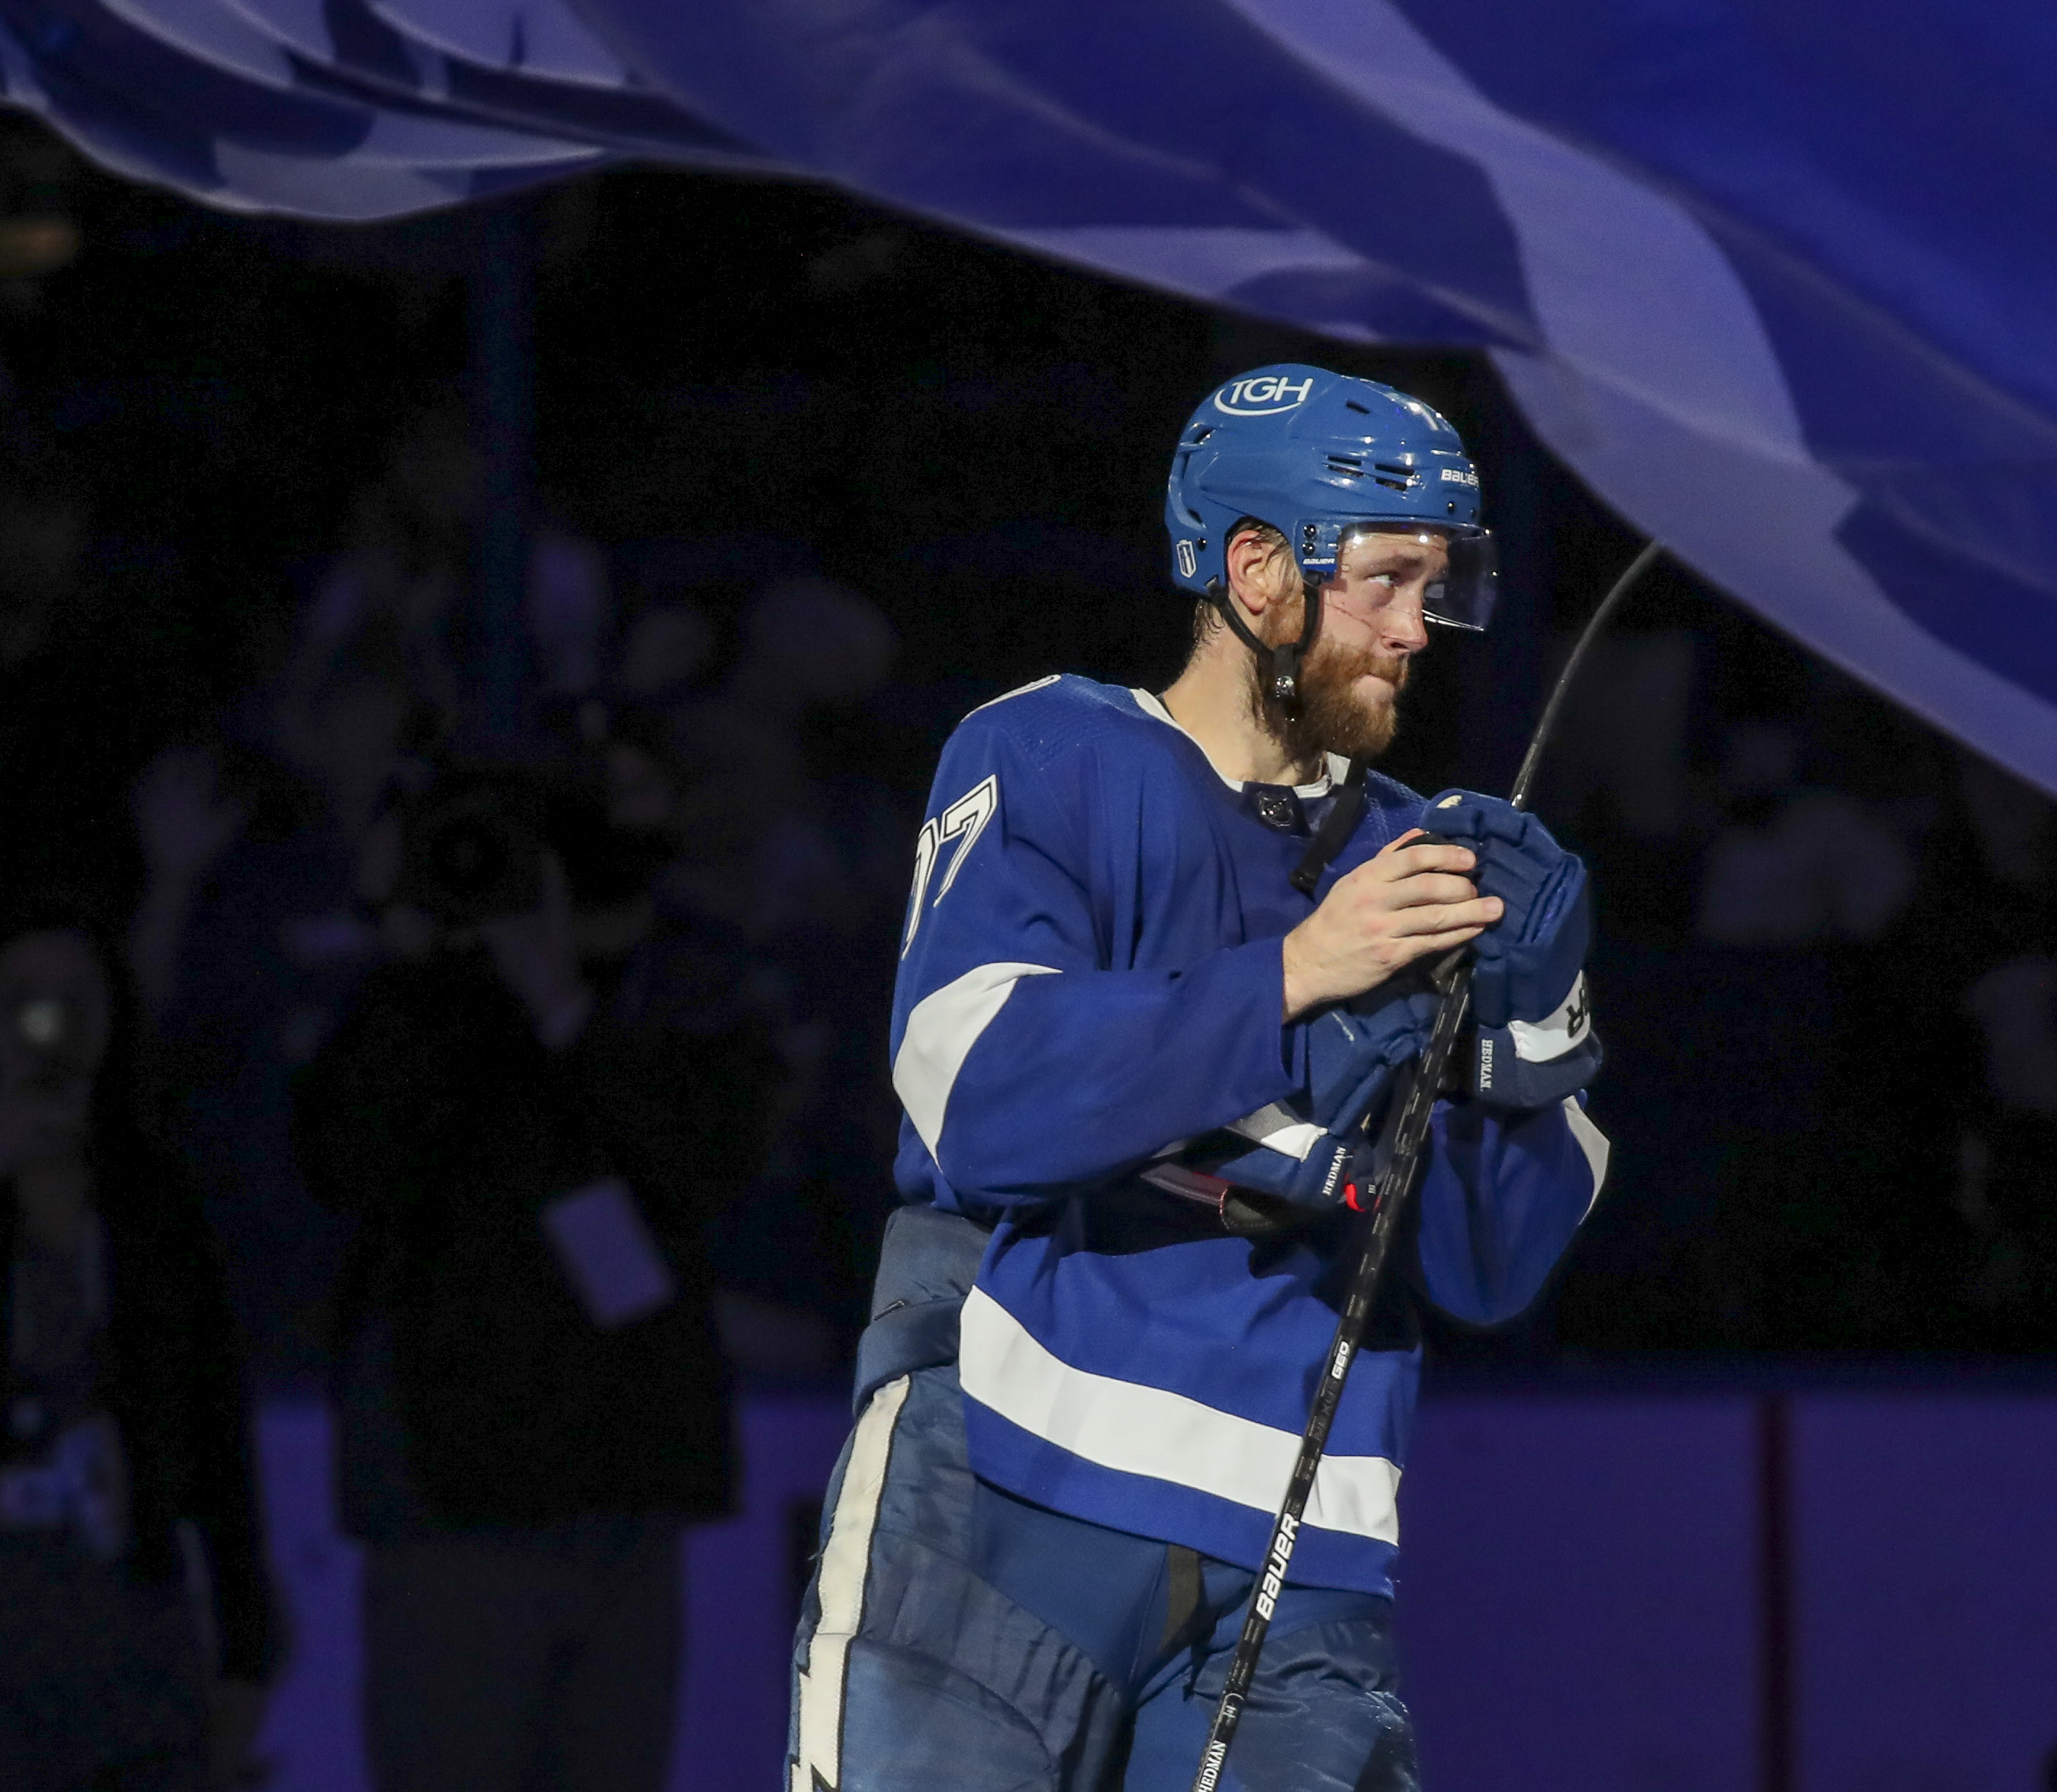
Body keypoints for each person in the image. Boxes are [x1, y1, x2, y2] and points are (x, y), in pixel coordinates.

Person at [789, 366, 1611, 1791]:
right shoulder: (1046, 747)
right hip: (1000, 1478)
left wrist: (1532, 1035)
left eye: (1444, 584)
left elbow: (1486, 1267)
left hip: (1307, 1561)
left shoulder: (1428, 862)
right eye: (1384, 580)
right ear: (1254, 569)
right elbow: (977, 1095)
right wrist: (1294, 979)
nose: (1419, 629)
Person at [292, 737, 783, 1792]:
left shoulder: (672, 988)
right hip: (452, 1501)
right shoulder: (422, 1005)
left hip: (621, 1496)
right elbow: (338, 1160)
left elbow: (705, 1165)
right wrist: (407, 946)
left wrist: (562, 1001)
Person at [0, 903, 284, 1792]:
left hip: (137, 1692)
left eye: (76, 998)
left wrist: (244, 1665)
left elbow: (219, 1454)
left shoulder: (152, 1210)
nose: (49, 1025)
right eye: (21, 998)